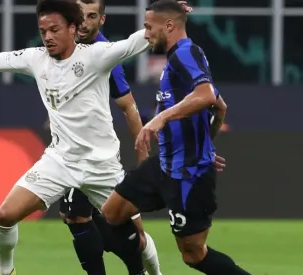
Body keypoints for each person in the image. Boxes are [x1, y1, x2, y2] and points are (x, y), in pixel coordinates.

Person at [0, 0, 155, 274]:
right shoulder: (36, 58)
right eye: (43, 30)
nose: (47, 36)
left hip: (102, 167)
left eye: (55, 30)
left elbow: (136, 41)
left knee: (137, 236)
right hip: (60, 163)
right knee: (4, 216)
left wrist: (168, 17)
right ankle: (5, 271)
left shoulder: (97, 56)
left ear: (73, 28)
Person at [101, 1, 250, 275]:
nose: (146, 34)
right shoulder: (180, 58)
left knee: (193, 255)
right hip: (165, 165)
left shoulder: (185, 54)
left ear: (168, 25)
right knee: (112, 214)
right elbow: (221, 106)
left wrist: (161, 118)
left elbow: (206, 96)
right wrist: (204, 144)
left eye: (148, 27)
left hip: (189, 174)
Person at [56, 0, 171, 274]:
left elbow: (128, 107)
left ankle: (148, 271)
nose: (84, 22)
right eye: (80, 16)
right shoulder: (63, 44)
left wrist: (143, 159)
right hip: (70, 154)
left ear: (102, 20)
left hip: (98, 156)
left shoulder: (104, 55)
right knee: (74, 215)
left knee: (126, 225)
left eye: (91, 16)